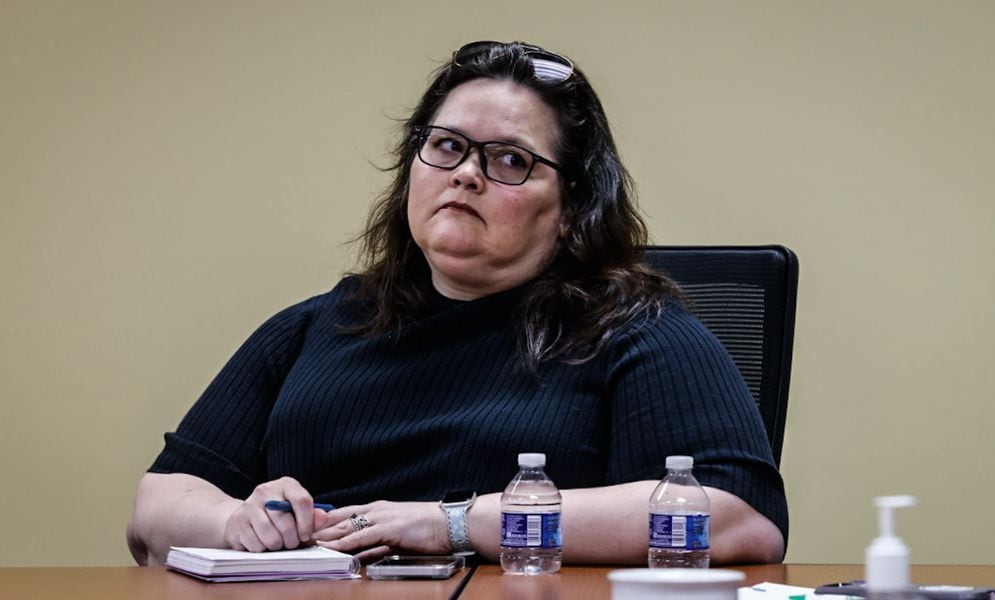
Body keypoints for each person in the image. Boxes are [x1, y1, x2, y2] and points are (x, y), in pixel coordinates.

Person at [126, 40, 788, 567]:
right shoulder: (316, 326)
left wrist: (453, 523)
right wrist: (234, 520)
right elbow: (157, 507)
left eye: (509, 160)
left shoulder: (638, 333)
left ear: (571, 211)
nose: (466, 173)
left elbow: (737, 516)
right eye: (447, 147)